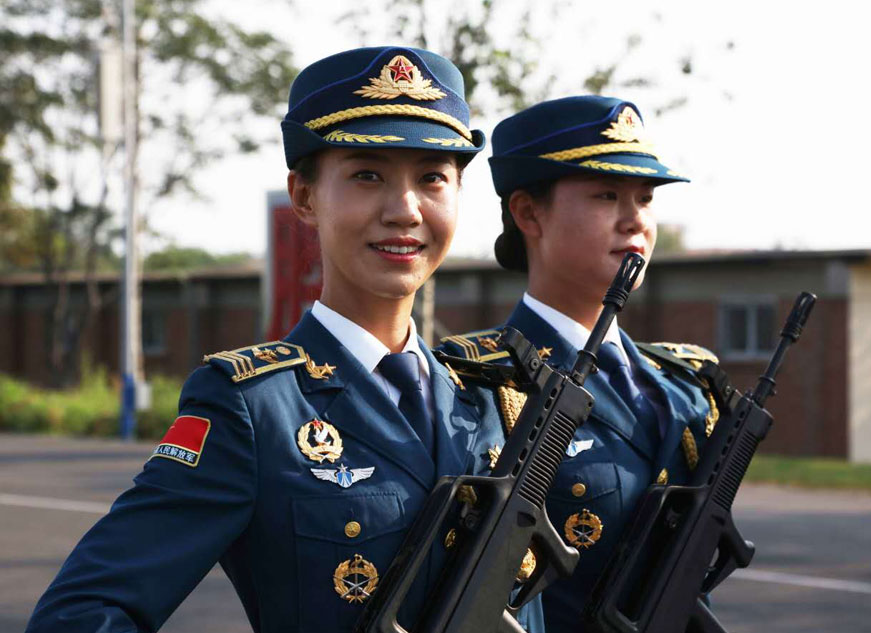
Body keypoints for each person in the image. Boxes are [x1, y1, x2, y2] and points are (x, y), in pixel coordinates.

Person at [26, 46, 542, 633]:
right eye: (367, 175)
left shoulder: (491, 399)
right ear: (304, 197)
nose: (404, 210)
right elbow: (82, 613)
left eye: (431, 178)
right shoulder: (253, 406)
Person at [437, 95, 720, 632]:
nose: (634, 219)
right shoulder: (476, 383)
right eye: (607, 194)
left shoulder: (683, 385)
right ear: (527, 212)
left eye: (645, 197)